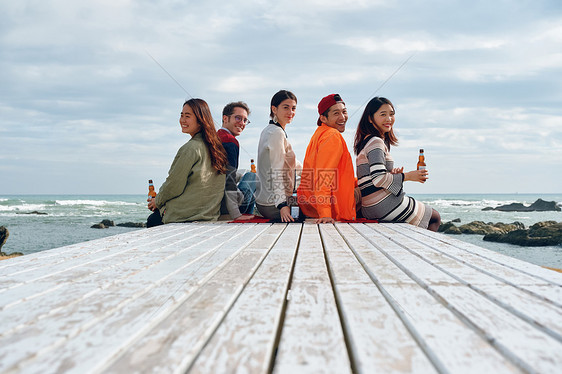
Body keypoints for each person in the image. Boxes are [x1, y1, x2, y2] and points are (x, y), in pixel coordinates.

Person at [354, 97, 441, 231]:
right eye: (383, 114)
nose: (389, 118)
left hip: (369, 206)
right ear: (370, 118)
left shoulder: (367, 142)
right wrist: (408, 176)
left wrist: (392, 175)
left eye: (392, 114)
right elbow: (378, 179)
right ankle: (420, 251)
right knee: (434, 217)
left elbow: (372, 177)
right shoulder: (376, 142)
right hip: (381, 206)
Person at [147, 98, 228, 227]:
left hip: (187, 215)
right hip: (209, 214)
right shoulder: (216, 148)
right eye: (181, 115)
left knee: (152, 220)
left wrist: (157, 201)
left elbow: (173, 186)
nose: (182, 120)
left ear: (201, 120)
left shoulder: (191, 148)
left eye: (188, 116)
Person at [297, 94, 358, 223]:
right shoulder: (332, 136)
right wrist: (325, 213)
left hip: (311, 205)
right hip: (332, 209)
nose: (342, 117)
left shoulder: (319, 134)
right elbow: (323, 176)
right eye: (336, 113)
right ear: (323, 118)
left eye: (344, 112)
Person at [255, 90, 302, 222]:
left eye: (293, 108)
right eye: (285, 107)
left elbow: (294, 164)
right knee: (321, 205)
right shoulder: (276, 133)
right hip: (273, 205)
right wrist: (282, 205)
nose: (290, 112)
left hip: (264, 202)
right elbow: (278, 169)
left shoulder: (269, 130)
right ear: (274, 109)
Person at [217, 101, 257, 220]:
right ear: (225, 118)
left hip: (214, 199)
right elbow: (229, 181)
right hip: (225, 206)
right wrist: (236, 214)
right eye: (238, 118)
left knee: (245, 174)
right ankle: (247, 214)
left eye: (245, 120)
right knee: (253, 176)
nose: (242, 123)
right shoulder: (230, 141)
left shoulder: (216, 136)